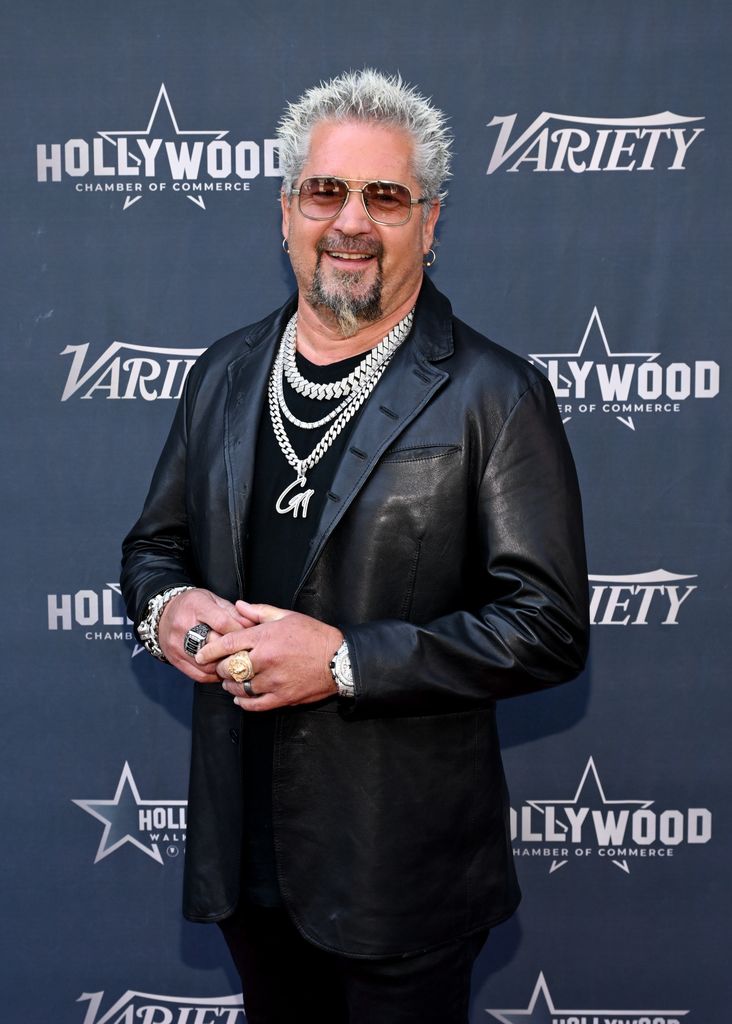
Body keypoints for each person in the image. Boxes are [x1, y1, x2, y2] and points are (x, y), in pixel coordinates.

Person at [121, 69, 589, 1024]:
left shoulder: (494, 394)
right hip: (243, 855)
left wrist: (340, 661)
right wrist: (168, 609)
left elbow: (546, 627)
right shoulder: (222, 374)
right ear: (286, 210)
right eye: (326, 192)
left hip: (399, 873)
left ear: (431, 220)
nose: (352, 223)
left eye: (386, 197)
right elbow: (154, 547)